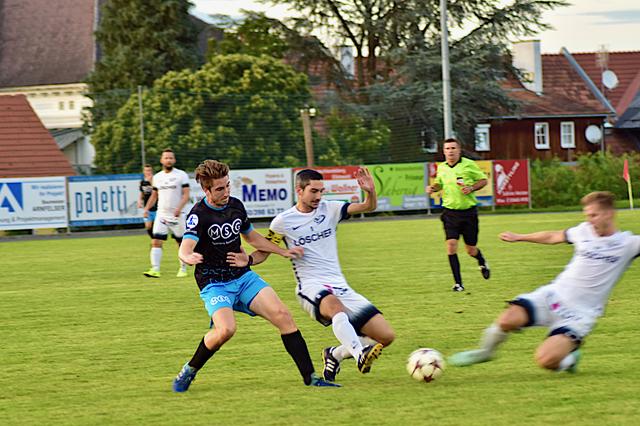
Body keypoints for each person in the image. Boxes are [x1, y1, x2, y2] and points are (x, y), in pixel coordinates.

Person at [172, 160, 339, 392]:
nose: (226, 192)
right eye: (220, 189)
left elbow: (251, 238)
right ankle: (189, 369)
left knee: (283, 316)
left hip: (242, 277)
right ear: (206, 190)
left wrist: (282, 251)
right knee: (225, 331)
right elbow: (186, 245)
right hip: (214, 283)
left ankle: (311, 378)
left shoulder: (236, 206)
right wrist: (187, 256)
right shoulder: (198, 215)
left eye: (227, 186)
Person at [232, 168, 395, 383]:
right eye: (313, 191)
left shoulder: (331, 209)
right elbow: (265, 250)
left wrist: (370, 192)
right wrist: (249, 260)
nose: (319, 196)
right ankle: (359, 355)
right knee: (335, 307)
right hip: (310, 286)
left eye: (321, 191)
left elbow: (368, 206)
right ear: (299, 190)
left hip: (340, 285)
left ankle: (334, 354)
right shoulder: (283, 221)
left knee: (385, 337)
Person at [449, 191, 640, 373]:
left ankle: (570, 359)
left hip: (579, 315)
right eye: (587, 215)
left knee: (546, 360)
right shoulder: (583, 231)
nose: (589, 220)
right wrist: (520, 237)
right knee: (508, 319)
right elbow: (552, 236)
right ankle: (485, 352)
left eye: (594, 215)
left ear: (610, 214)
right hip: (552, 296)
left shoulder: (628, 244)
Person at [426, 138, 490, 292]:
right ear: (444, 151)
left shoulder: (468, 164)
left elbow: (483, 180)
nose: (450, 151)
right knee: (451, 246)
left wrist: (471, 188)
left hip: (469, 213)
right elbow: (440, 183)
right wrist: (433, 188)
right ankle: (458, 283)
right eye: (447, 148)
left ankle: (481, 261)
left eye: (453, 148)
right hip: (450, 213)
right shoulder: (441, 167)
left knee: (471, 250)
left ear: (459, 150)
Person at [143, 149, 191, 278]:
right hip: (162, 214)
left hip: (178, 215)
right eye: (166, 158)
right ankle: (155, 269)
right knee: (156, 241)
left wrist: (179, 208)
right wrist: (147, 208)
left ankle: (182, 269)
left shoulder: (181, 175)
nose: (168, 160)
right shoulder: (157, 177)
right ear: (161, 160)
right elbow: (154, 195)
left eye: (171, 158)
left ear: (174, 160)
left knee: (181, 243)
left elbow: (186, 195)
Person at [138, 164, 157, 239]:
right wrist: (139, 201)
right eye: (146, 170)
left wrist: (151, 182)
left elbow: (156, 192)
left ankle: (156, 241)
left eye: (149, 170)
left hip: (156, 208)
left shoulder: (155, 180)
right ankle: (154, 239)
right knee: (148, 226)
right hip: (147, 208)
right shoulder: (142, 182)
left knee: (156, 227)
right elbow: (142, 193)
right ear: (144, 172)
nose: (148, 172)